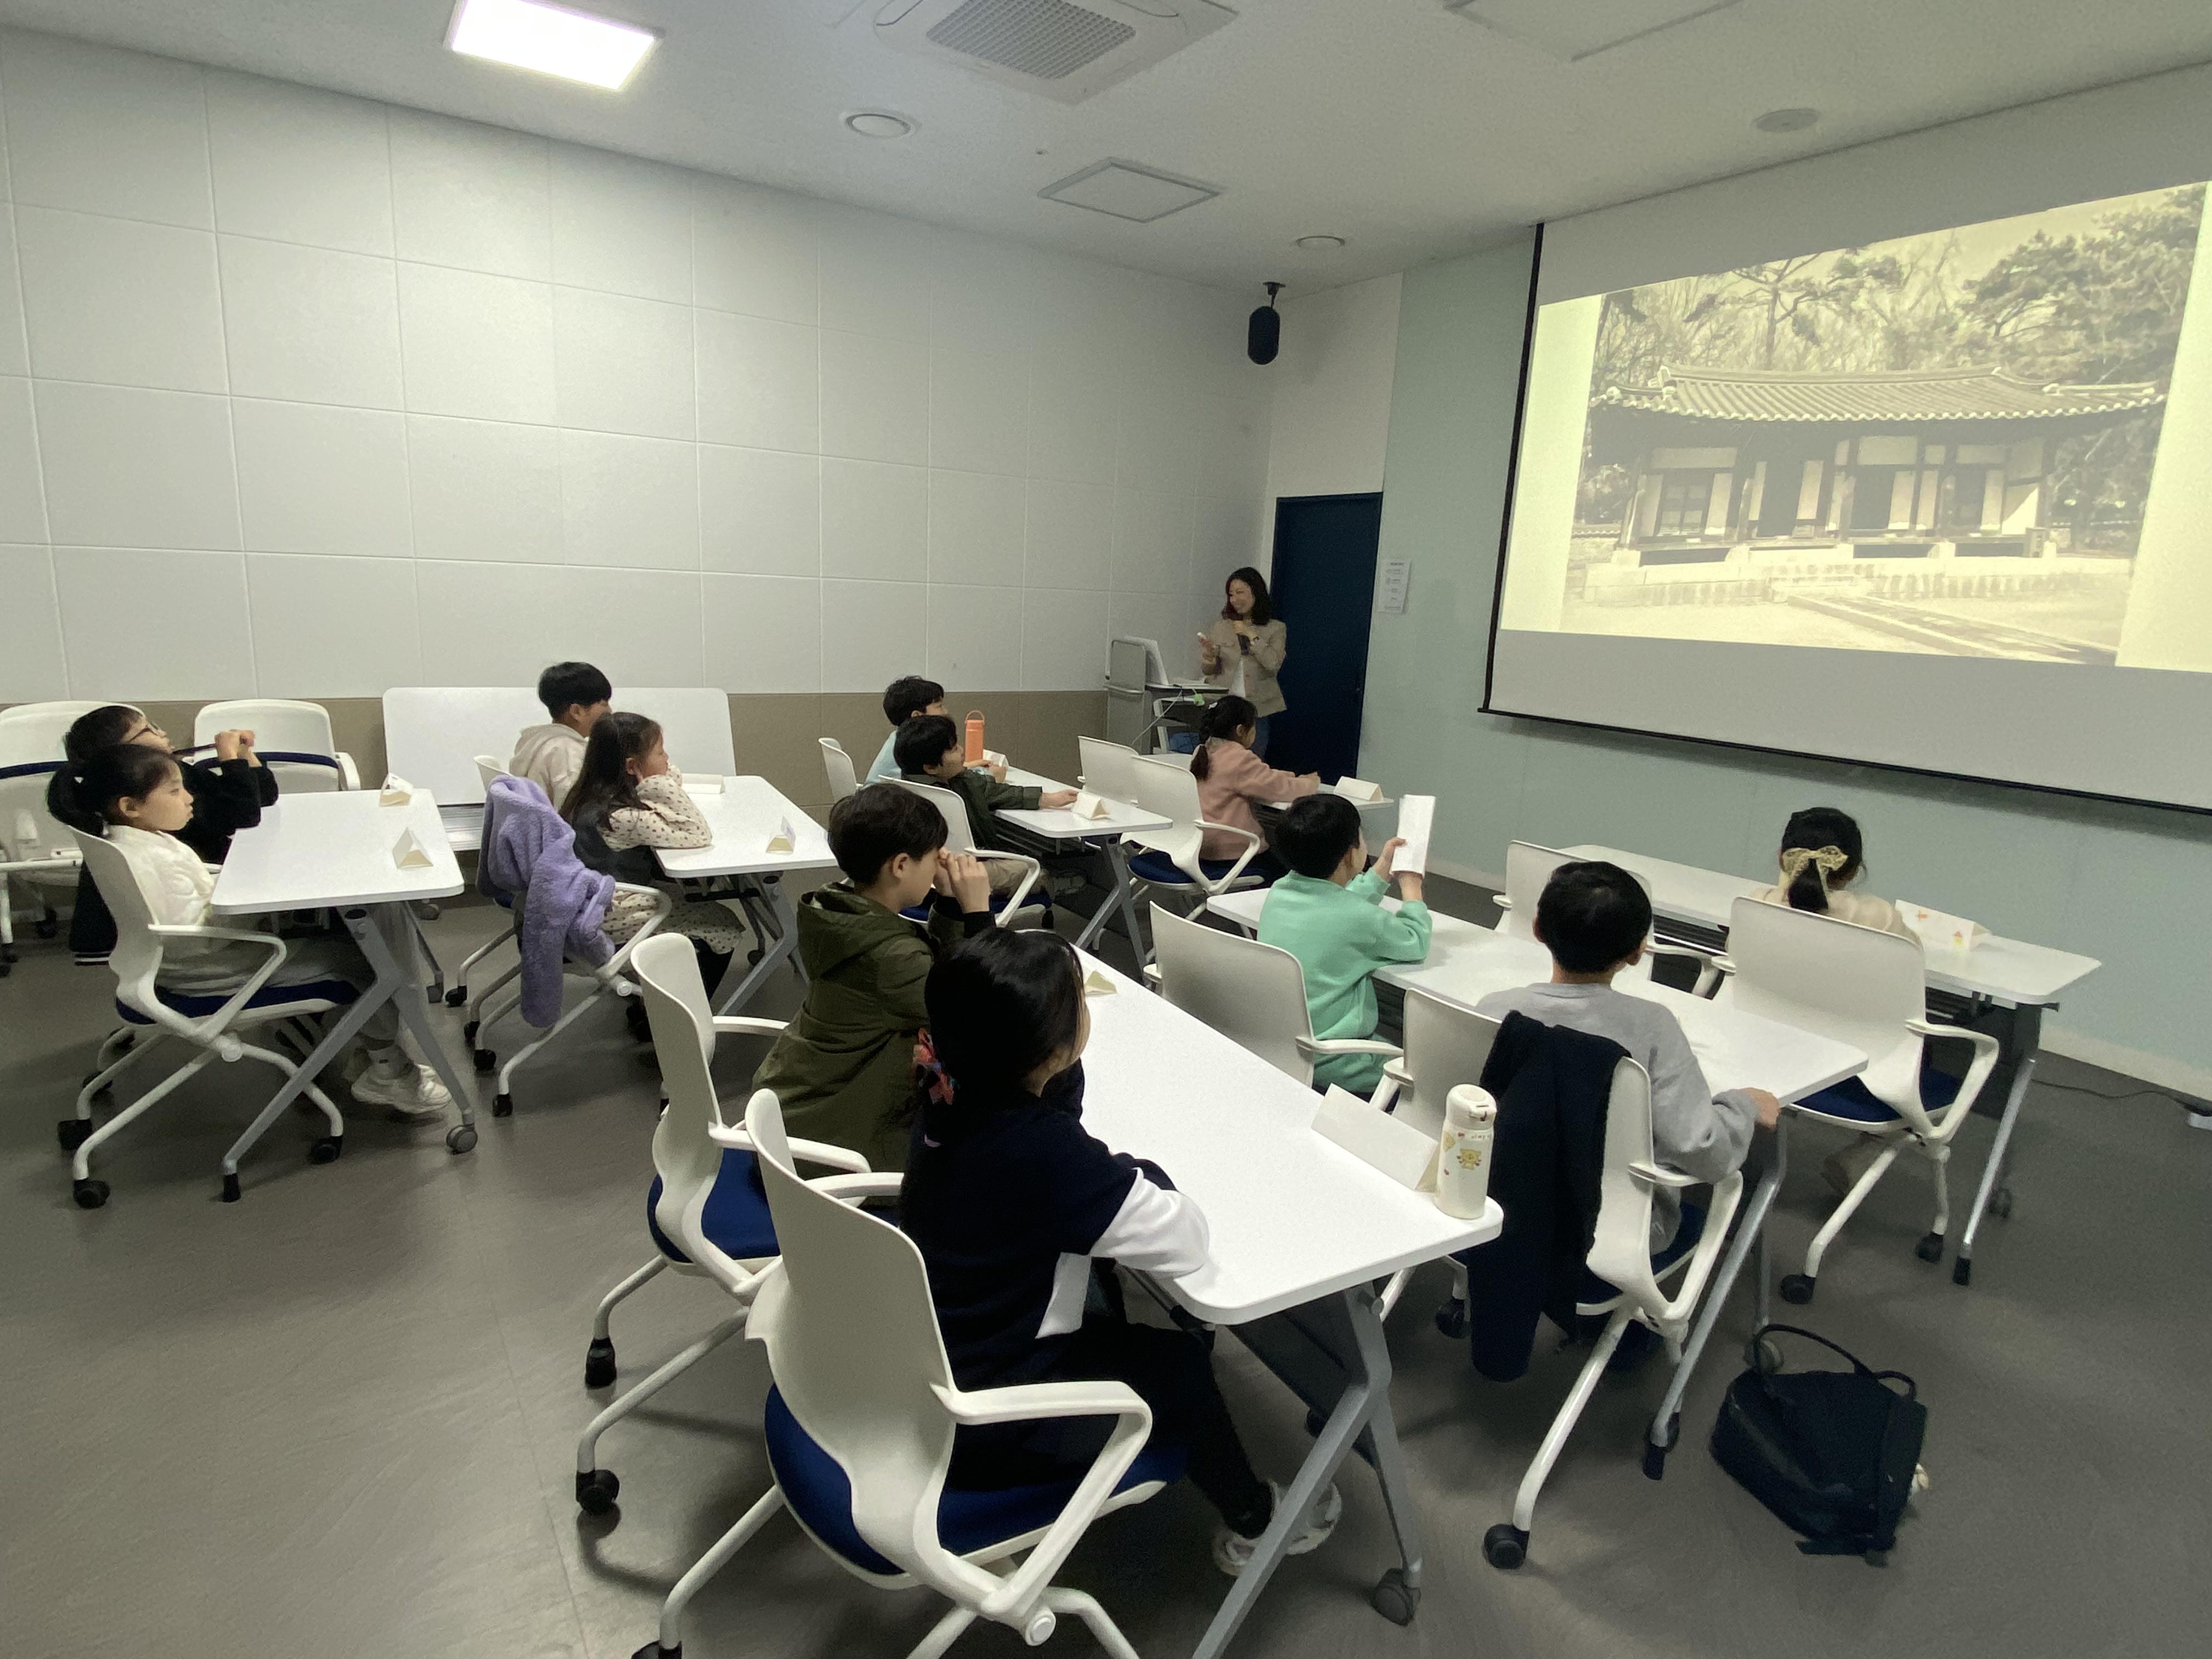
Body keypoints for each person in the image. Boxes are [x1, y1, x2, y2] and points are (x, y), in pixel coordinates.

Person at [898, 927, 1341, 1575]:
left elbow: (1058, 1141)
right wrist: (1140, 1173)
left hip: (935, 1352)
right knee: (1181, 1365)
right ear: (1051, 1053)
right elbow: (1185, 1240)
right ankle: (1255, 1520)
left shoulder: (950, 1092)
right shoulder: (1042, 1154)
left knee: (1112, 1295)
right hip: (991, 1420)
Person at [48, 744, 450, 1116]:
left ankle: (371, 1053)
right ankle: (387, 1071)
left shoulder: (132, 840)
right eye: (174, 791)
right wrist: (267, 897)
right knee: (373, 963)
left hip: (172, 964)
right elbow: (199, 940)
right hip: (209, 972)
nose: (188, 798)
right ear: (130, 806)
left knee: (354, 940)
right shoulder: (156, 856)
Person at [1475, 861, 1779, 1252]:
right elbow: (1699, 1148)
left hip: (1493, 1197)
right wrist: (1743, 1106)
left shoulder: (1495, 1010)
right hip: (1609, 1229)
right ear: (1638, 952)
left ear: (1537, 930)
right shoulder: (1653, 1028)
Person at [751, 784, 994, 1168]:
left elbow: (938, 975)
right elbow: (984, 1012)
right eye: (933, 858)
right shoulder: (891, 960)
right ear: (901, 866)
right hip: (832, 1138)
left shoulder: (838, 910)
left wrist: (949, 902)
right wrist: (979, 914)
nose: (939, 866)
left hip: (798, 1104)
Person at [559, 713, 747, 1033]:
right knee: (722, 925)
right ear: (632, 767)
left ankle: (652, 1002)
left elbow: (672, 781)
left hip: (591, 902)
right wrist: (657, 782)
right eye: (660, 752)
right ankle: (674, 1024)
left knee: (689, 901)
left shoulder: (590, 794)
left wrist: (654, 774)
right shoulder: (623, 818)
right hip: (611, 912)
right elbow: (696, 833)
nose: (667, 758)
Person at [59, 704, 279, 965]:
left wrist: (243, 756)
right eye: (148, 730)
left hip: (200, 922)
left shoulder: (156, 799)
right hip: (204, 956)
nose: (161, 732)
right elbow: (244, 814)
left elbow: (262, 797)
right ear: (123, 754)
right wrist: (231, 761)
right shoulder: (157, 821)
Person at [1257, 794, 1432, 1096]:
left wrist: (1382, 869)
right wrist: (1412, 886)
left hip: (1285, 1046)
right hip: (1339, 1061)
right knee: (1430, 1075)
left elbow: (1338, 906)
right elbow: (1415, 941)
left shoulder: (1280, 892)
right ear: (1351, 854)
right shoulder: (1359, 919)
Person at [894, 713, 1074, 900]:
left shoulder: (912, 787)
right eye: (954, 749)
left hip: (927, 876)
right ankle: (1054, 886)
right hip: (957, 872)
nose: (961, 751)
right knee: (1032, 868)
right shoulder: (942, 796)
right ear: (931, 768)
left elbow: (996, 792)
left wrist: (1047, 798)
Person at [1189, 694, 1316, 874]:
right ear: (1241, 730)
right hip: (1233, 852)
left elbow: (1263, 777)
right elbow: (1281, 789)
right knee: (1285, 872)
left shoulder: (1203, 751)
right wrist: (1310, 784)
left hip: (1202, 845)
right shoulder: (1239, 759)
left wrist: (1293, 776)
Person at [1751, 806, 1918, 941]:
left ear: (1782, 860)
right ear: (1855, 871)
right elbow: (1912, 961)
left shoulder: (1757, 904)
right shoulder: (1883, 918)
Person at [1195, 566, 1288, 759]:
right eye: (1231, 594)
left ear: (1256, 592)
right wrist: (1209, 657)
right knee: (1218, 762)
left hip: (1257, 710)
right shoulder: (1222, 626)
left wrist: (1251, 635)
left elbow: (1273, 664)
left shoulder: (1276, 628)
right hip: (1224, 708)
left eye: (1240, 593)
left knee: (1251, 763)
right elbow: (1209, 670)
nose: (1235, 599)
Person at [510, 661, 611, 809]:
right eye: (604, 704)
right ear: (576, 711)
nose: (609, 711)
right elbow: (574, 812)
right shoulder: (570, 753)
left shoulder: (533, 741)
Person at [868, 676, 945, 785]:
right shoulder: (913, 745)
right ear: (917, 716)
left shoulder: (902, 737)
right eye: (940, 706)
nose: (945, 712)